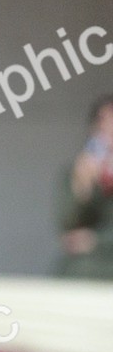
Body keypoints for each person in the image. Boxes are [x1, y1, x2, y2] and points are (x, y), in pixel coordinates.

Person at [56, 94, 113, 281]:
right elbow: (67, 227)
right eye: (103, 124)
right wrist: (82, 186)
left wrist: (95, 241)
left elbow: (85, 239)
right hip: (85, 268)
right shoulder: (79, 171)